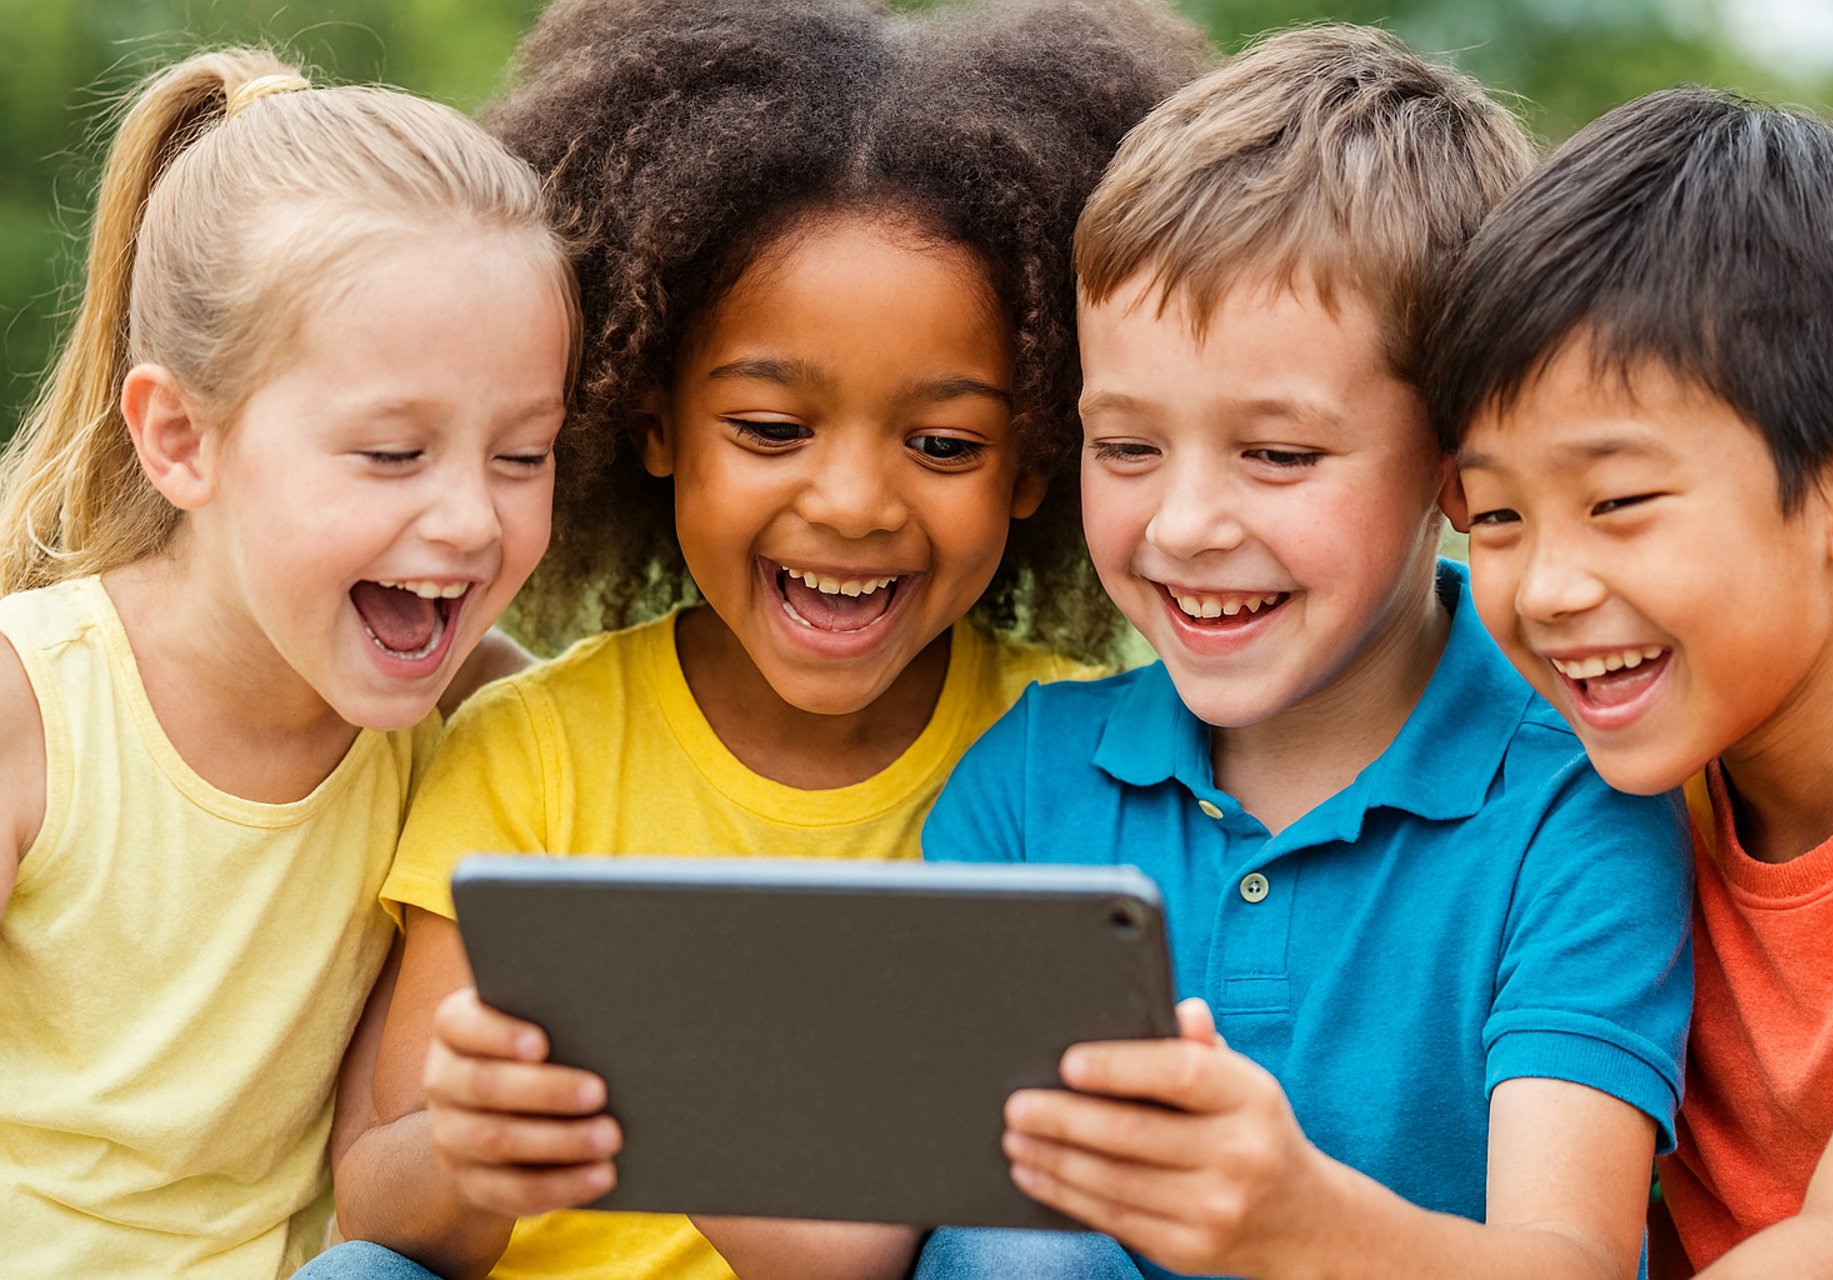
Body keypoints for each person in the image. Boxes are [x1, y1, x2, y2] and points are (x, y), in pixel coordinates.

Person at [315, 3, 1206, 1279]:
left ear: (1036, 460)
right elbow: (375, 1206)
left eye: (945, 442)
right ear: (652, 419)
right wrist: (470, 1143)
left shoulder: (1074, 762)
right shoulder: (533, 755)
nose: (850, 502)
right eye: (771, 428)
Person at [910, 26, 1694, 1280]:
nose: (1184, 525)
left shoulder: (1571, 809)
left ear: (1452, 467)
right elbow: (870, 1234)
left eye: (1277, 454)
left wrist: (1299, 1224)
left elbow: (1572, 1259)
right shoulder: (1031, 783)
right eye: (1127, 447)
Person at [0, 48, 576, 1279]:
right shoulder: (32, 709)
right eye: (390, 452)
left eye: (523, 455)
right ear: (180, 439)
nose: (473, 520)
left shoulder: (490, 720)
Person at [1425, 86, 1833, 1279]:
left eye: (1619, 503)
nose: (1544, 588)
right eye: (1493, 515)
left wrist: (1312, 1233)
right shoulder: (1610, 772)